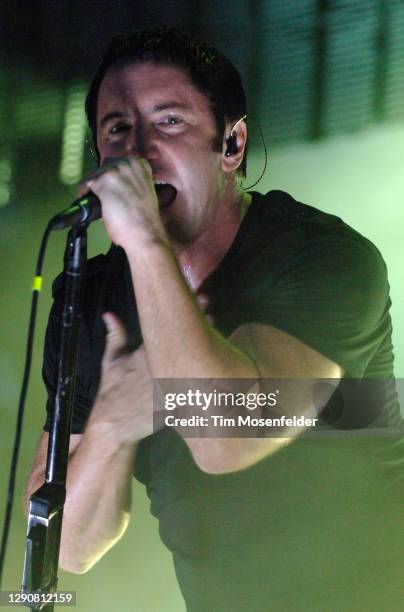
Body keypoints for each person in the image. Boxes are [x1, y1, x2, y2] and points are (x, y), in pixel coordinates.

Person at [26, 29, 403, 611]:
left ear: (231, 145)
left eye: (169, 121)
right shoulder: (89, 301)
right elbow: (67, 548)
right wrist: (111, 425)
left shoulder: (321, 255)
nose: (141, 150)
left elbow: (224, 439)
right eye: (118, 129)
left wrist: (146, 239)